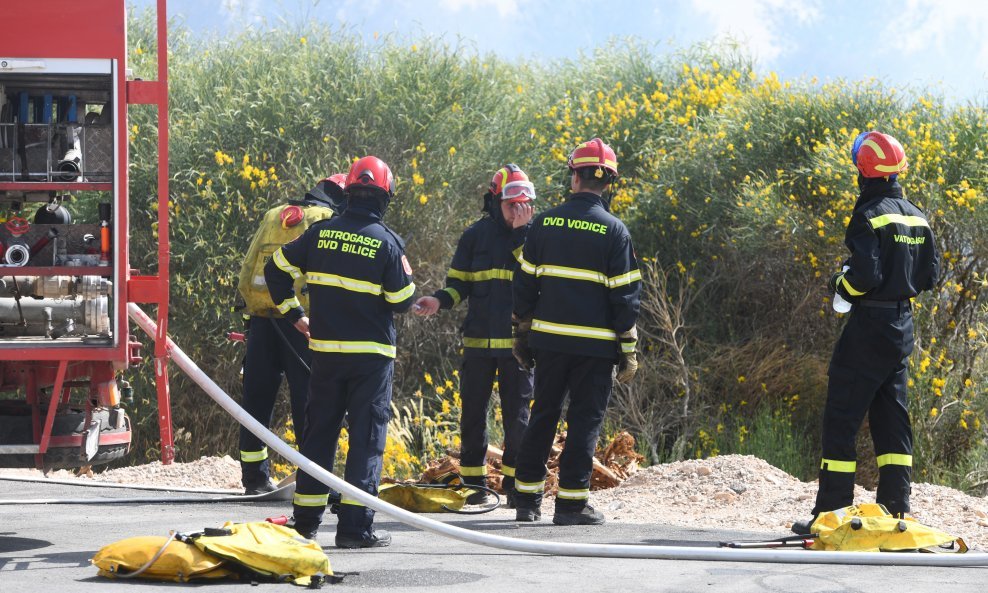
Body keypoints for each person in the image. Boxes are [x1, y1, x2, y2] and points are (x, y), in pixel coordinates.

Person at [793, 131, 940, 534]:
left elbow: (864, 275)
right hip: (902, 327)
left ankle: (831, 515)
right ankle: (896, 511)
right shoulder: (916, 214)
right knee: (892, 418)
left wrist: (843, 288)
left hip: (869, 325)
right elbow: (930, 275)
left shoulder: (868, 214)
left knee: (842, 416)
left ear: (864, 171)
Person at [264, 156, 415, 548]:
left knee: (319, 435)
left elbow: (275, 268)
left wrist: (293, 312)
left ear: (348, 192)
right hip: (371, 359)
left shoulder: (319, 234)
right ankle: (353, 528)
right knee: (366, 438)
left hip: (326, 355)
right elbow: (401, 300)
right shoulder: (387, 242)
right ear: (384, 197)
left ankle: (306, 522)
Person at [511, 138, 642, 525]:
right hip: (596, 348)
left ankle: (526, 502)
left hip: (549, 342)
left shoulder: (544, 224)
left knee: (543, 415)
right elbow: (625, 296)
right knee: (584, 420)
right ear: (608, 182)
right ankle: (570, 505)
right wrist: (628, 347)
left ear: (574, 177)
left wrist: (521, 331)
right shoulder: (615, 231)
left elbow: (524, 285)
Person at [412, 164, 536, 506]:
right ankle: (475, 487)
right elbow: (459, 284)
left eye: (524, 205)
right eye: (512, 204)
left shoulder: (535, 236)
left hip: (518, 347)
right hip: (479, 344)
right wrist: (438, 300)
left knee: (518, 419)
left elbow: (535, 277)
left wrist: (521, 234)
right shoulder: (474, 236)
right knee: (472, 417)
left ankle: (515, 489)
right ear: (495, 201)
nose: (517, 211)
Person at [235, 174, 346, 495]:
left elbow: (247, 269)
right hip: (303, 324)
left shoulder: (275, 215)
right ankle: (312, 480)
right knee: (310, 403)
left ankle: (254, 479)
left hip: (261, 320)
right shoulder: (328, 220)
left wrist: (250, 308)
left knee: (255, 401)